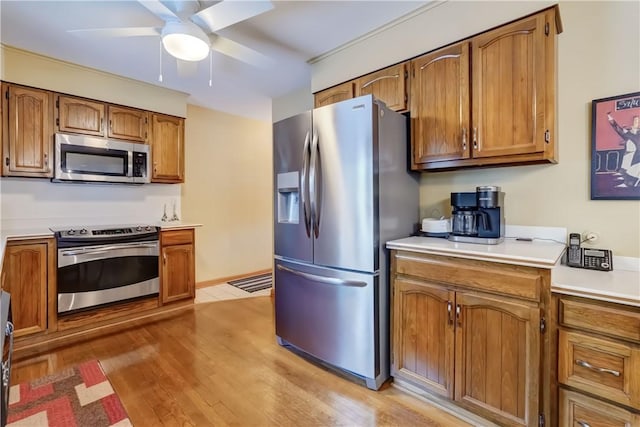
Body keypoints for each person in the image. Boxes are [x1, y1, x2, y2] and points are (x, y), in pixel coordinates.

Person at [607, 113, 640, 187]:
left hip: (637, 156)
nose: (636, 123)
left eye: (638, 121)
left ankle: (629, 183)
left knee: (634, 170)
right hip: (630, 155)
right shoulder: (628, 133)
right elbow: (618, 129)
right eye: (635, 121)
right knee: (627, 169)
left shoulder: (638, 134)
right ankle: (627, 182)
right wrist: (610, 118)